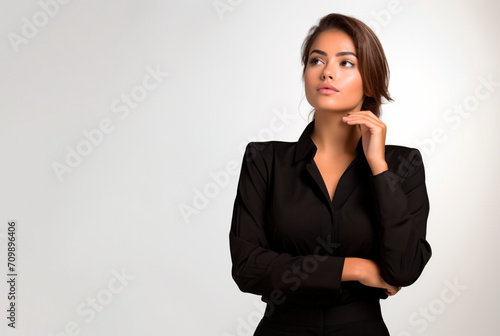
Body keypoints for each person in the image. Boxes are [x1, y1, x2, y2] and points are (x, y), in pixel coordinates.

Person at [229, 13, 432, 336]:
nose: (327, 72)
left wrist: (378, 166)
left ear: (371, 79)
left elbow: (404, 269)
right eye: (316, 60)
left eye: (346, 63)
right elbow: (248, 268)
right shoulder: (264, 159)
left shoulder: (402, 164)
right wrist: (356, 269)